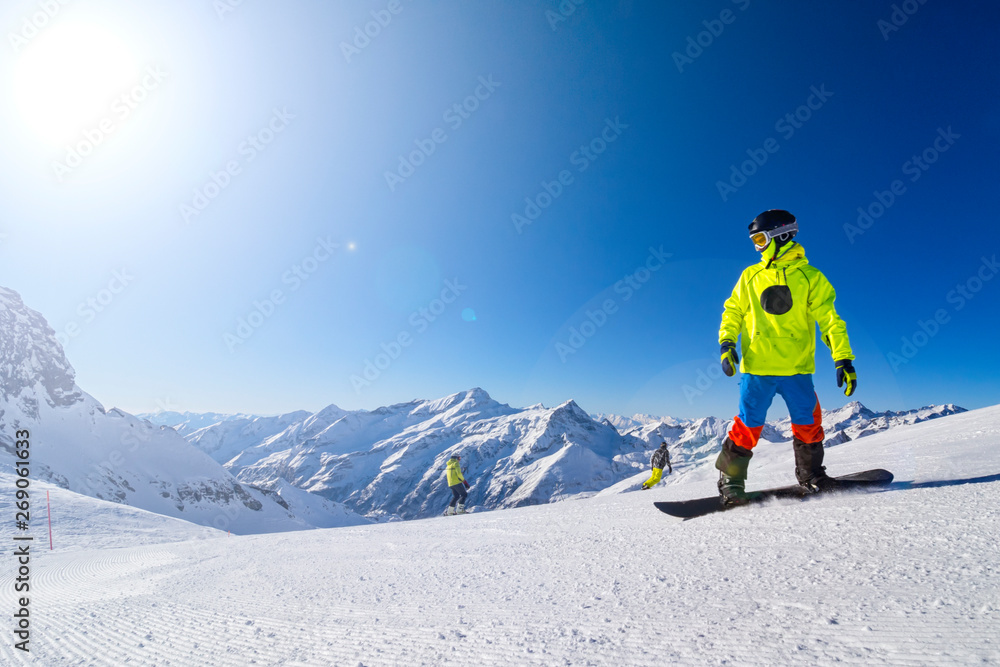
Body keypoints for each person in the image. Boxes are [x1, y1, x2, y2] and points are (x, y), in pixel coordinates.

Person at [715, 209, 857, 506]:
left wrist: (843, 358)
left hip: (797, 368)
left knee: (808, 423)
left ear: (781, 236)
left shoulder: (811, 277)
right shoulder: (750, 276)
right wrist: (727, 343)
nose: (757, 248)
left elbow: (830, 320)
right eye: (754, 241)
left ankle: (811, 475)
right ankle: (730, 481)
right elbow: (733, 311)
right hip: (758, 367)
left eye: (760, 240)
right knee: (748, 424)